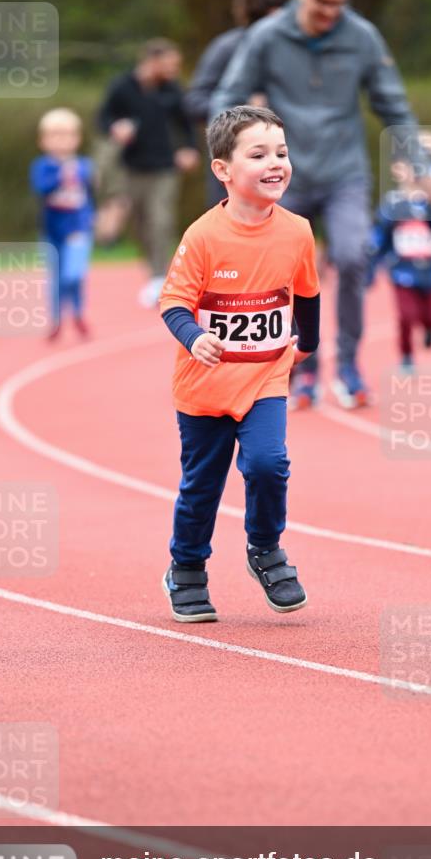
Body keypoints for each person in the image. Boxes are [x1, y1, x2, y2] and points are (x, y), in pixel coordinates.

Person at [211, 0, 419, 410]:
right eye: (322, 2)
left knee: (352, 255)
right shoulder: (267, 36)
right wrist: (239, 150)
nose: (331, 13)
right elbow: (225, 99)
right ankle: (301, 370)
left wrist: (417, 162)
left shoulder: (362, 36)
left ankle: (348, 366)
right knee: (284, 275)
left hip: (345, 171)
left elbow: (394, 105)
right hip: (285, 175)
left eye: (339, 4)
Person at [158, 106, 320, 622]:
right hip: (204, 385)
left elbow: (307, 292)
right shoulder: (204, 235)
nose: (276, 163)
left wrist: (309, 343)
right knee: (202, 487)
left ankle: (264, 548)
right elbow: (174, 302)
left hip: (265, 376)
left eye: (282, 152)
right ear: (223, 169)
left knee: (269, 465)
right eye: (259, 154)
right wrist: (195, 337)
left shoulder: (297, 231)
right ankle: (185, 568)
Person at [98, 39, 200, 308]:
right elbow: (103, 118)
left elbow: (186, 123)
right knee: (141, 224)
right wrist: (115, 127)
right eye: (169, 64)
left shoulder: (172, 90)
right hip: (131, 168)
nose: (173, 70)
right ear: (151, 62)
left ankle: (160, 278)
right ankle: (153, 274)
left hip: (164, 168)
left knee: (160, 220)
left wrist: (189, 149)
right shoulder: (122, 87)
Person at [185, 0, 292, 206]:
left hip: (287, 163)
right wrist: (245, 113)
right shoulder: (227, 49)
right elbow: (195, 102)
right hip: (237, 162)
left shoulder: (295, 51)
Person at [367, 132, 431, 375]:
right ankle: (407, 355)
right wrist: (372, 267)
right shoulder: (393, 203)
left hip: (430, 271)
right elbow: (380, 236)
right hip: (401, 270)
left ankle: (430, 330)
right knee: (406, 316)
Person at [29, 108, 95, 340]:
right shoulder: (42, 166)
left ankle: (77, 312)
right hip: (51, 232)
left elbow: (90, 195)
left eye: (67, 135)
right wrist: (60, 175)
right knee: (55, 277)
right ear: (43, 140)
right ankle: (56, 319)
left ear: (77, 138)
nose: (61, 141)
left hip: (78, 230)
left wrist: (92, 219)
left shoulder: (85, 166)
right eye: (54, 135)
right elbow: (41, 188)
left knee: (73, 275)